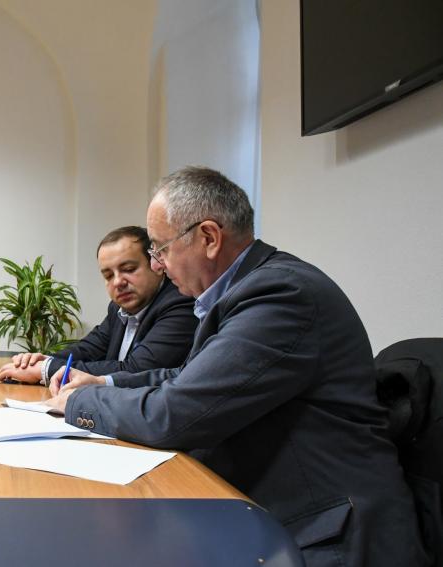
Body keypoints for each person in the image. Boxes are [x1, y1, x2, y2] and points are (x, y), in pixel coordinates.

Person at [45, 167, 426, 567]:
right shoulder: (243, 293)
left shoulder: (279, 295)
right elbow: (188, 377)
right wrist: (104, 382)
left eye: (160, 249)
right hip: (281, 515)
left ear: (209, 238)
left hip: (332, 536)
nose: (157, 265)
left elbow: (178, 414)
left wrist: (81, 402)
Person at [0, 226, 197, 385]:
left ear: (156, 264)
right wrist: (40, 360)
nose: (118, 282)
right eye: (108, 275)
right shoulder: (117, 308)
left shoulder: (180, 302)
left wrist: (47, 369)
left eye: (128, 269)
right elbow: (89, 349)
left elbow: (137, 369)